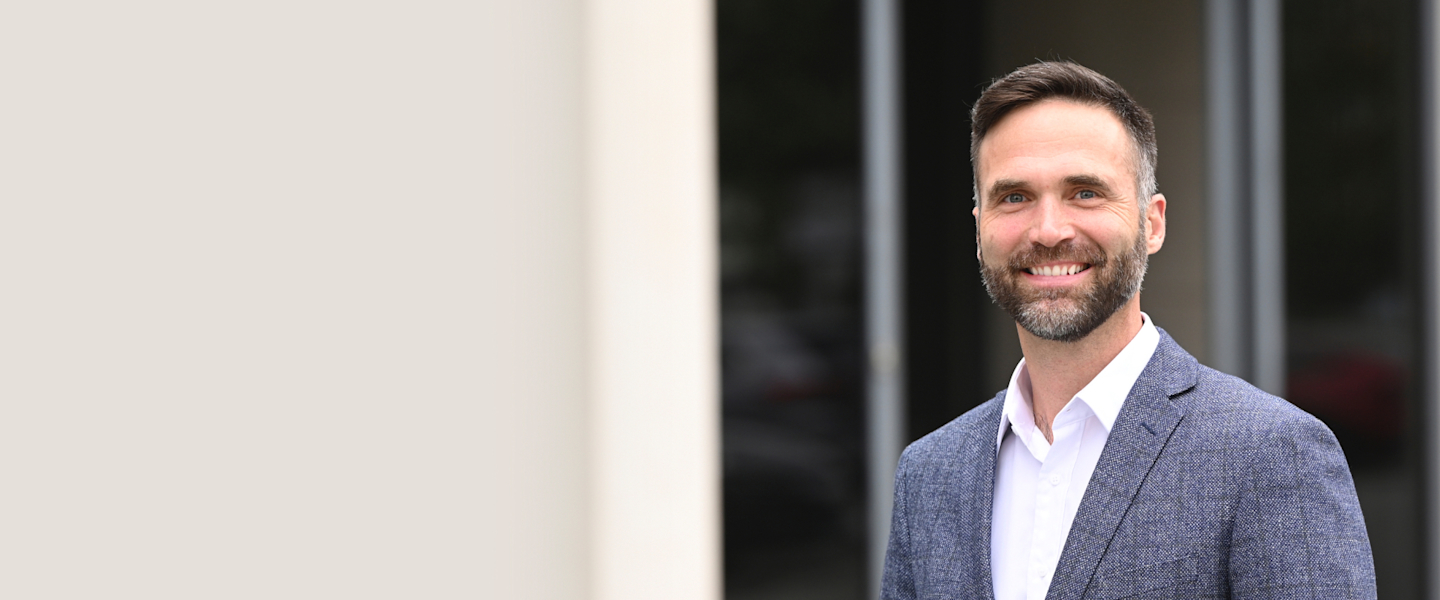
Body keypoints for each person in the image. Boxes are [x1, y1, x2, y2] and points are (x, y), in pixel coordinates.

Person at [880, 61, 1376, 599]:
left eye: (1085, 192)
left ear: (1152, 223)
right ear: (980, 231)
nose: (1048, 231)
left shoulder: (1270, 453)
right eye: (1014, 197)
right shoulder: (928, 474)